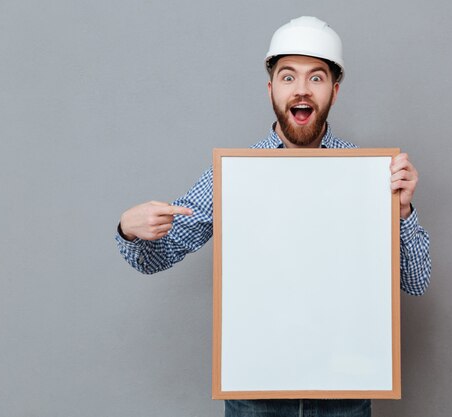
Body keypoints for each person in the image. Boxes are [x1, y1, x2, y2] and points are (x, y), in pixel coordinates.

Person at [116, 16, 431, 417]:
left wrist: (402, 212)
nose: (301, 89)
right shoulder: (232, 175)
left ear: (335, 91)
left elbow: (416, 282)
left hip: (345, 394)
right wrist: (129, 230)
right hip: (255, 395)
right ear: (270, 90)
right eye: (288, 77)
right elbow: (154, 258)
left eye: (316, 78)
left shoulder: (372, 174)